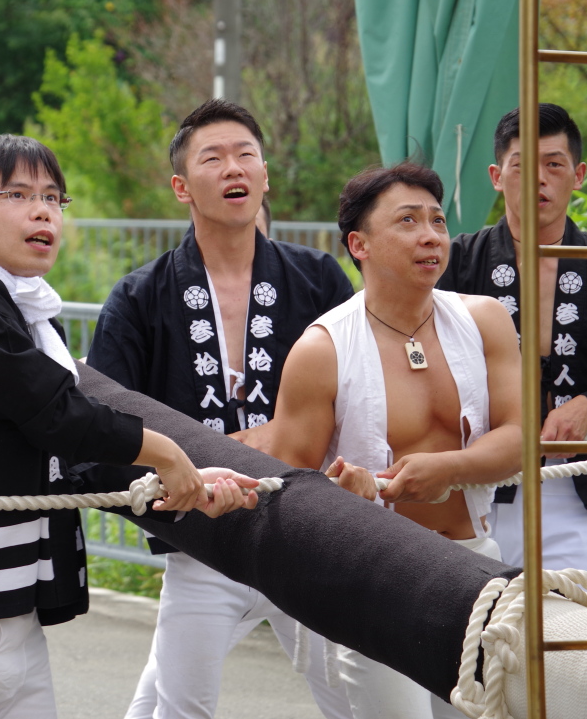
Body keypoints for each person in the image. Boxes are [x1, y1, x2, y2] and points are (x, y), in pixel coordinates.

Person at [0, 133, 260, 719]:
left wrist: (188, 483)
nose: (44, 210)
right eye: (19, 195)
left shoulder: (25, 314)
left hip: (13, 610)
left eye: (53, 197)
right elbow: (58, 416)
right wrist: (168, 455)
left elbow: (71, 461)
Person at [85, 100, 354, 719]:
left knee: (352, 699)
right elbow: (106, 419)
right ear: (182, 186)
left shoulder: (318, 279)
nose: (234, 167)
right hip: (203, 539)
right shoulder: (139, 297)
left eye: (246, 155)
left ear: (265, 175)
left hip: (305, 524)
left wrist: (282, 439)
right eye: (213, 158)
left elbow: (360, 391)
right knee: (180, 706)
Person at [262, 162, 522, 719]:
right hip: (373, 573)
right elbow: (288, 491)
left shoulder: (485, 320)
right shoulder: (321, 350)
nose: (431, 236)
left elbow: (519, 439)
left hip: (474, 562)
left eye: (437, 220)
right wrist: (345, 494)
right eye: (407, 221)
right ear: (359, 244)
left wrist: (448, 468)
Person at [435, 105, 587, 575]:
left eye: (554, 164)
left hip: (576, 478)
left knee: (557, 612)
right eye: (522, 165)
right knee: (473, 615)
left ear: (578, 176)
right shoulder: (458, 262)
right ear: (497, 176)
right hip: (474, 476)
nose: (539, 178)